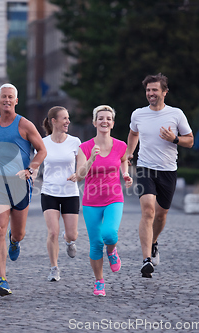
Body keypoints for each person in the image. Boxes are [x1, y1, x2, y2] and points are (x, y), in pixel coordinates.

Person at [0, 83, 47, 296]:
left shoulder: (24, 125)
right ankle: (2, 280)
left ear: (16, 101)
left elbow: (42, 150)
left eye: (10, 97)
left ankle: (14, 241)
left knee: (19, 232)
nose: (7, 100)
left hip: (19, 185)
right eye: (3, 97)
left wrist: (30, 169)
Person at [125, 73, 193, 278]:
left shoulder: (176, 114)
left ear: (164, 92)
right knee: (147, 211)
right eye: (148, 90)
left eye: (154, 90)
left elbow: (190, 141)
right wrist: (130, 152)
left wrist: (174, 139)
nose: (150, 93)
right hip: (145, 168)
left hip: (168, 170)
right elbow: (133, 132)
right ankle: (146, 260)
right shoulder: (138, 114)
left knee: (161, 215)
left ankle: (154, 243)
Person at [71, 105, 132, 296]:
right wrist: (90, 160)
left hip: (114, 198)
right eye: (100, 118)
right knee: (96, 244)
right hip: (91, 202)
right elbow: (79, 175)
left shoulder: (121, 145)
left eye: (108, 118)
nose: (104, 121)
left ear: (112, 123)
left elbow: (123, 159)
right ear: (94, 122)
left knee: (110, 235)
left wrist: (125, 174)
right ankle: (99, 281)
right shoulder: (85, 147)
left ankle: (112, 252)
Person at [39, 106, 82, 282]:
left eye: (68, 118)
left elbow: (82, 164)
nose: (68, 121)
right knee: (52, 232)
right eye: (64, 118)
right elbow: (35, 164)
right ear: (53, 121)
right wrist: (30, 174)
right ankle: (54, 268)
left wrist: (78, 174)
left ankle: (69, 241)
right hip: (49, 191)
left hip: (70, 192)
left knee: (72, 234)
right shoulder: (43, 143)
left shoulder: (75, 142)